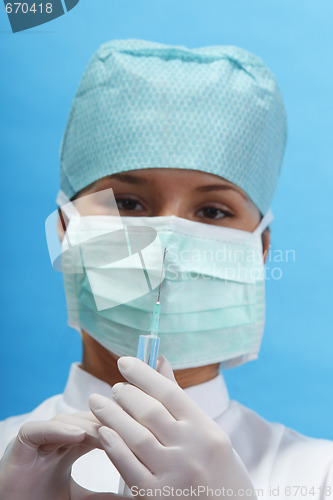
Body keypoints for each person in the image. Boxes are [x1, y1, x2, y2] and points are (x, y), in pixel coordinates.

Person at [0, 39, 332, 500]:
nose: (167, 248)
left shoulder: (320, 477)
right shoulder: (7, 468)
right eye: (128, 203)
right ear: (65, 229)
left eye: (213, 212)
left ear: (260, 248)